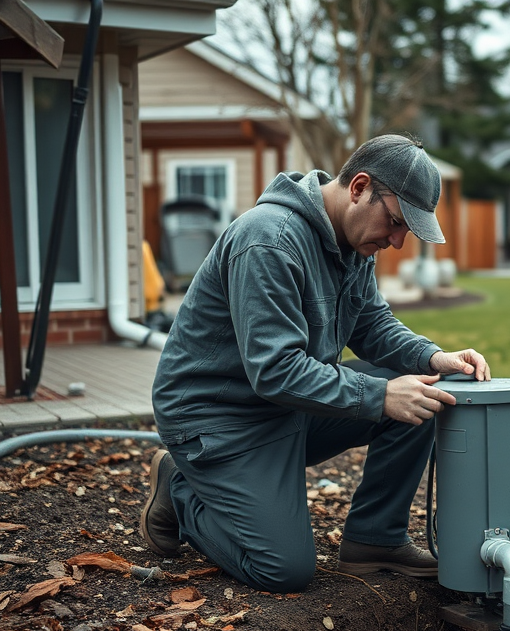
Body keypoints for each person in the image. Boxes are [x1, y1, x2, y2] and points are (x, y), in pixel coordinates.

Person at [142, 134, 490, 593]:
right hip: (219, 419)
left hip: (283, 406)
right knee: (283, 570)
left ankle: (375, 539)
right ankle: (180, 489)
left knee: (428, 388)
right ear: (359, 187)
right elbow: (276, 369)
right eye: (396, 222)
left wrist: (434, 356)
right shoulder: (269, 240)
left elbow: (372, 325)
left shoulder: (352, 244)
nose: (398, 241)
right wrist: (381, 395)